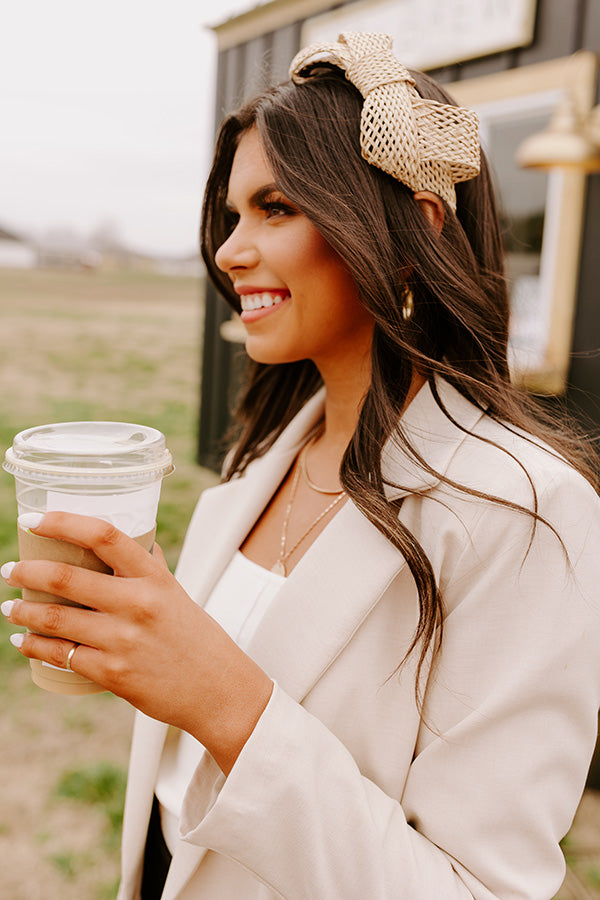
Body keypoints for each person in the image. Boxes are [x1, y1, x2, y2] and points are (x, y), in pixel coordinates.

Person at [2, 31, 600, 900]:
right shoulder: (247, 475)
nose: (229, 250)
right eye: (234, 213)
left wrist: (224, 701)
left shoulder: (526, 512)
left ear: (410, 230)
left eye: (276, 208)